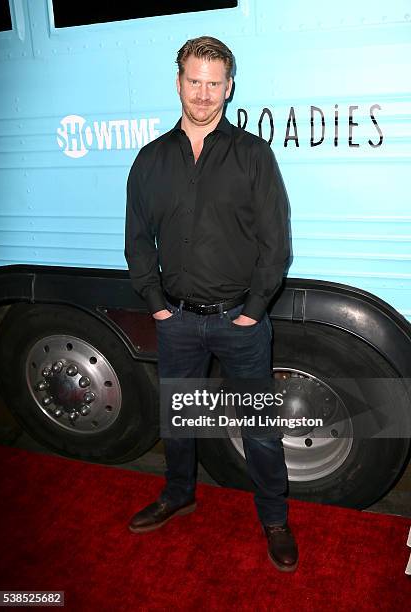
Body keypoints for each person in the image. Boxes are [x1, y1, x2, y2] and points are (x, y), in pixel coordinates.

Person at [124, 36, 297, 572]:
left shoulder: (252, 154)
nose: (203, 93)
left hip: (240, 324)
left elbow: (276, 242)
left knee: (260, 430)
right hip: (175, 320)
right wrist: (155, 302)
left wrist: (253, 308)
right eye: (194, 81)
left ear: (229, 87)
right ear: (178, 82)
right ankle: (179, 494)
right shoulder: (150, 160)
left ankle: (274, 518)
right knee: (178, 419)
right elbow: (136, 239)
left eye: (213, 83)